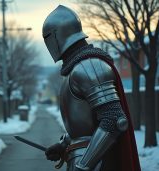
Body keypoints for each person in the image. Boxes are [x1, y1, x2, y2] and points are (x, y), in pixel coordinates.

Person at [42, 5, 141, 171]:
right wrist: (64, 144)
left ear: (56, 36)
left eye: (47, 37)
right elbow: (86, 125)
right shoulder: (75, 69)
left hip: (98, 164)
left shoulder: (89, 67)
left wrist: (84, 164)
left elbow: (114, 120)